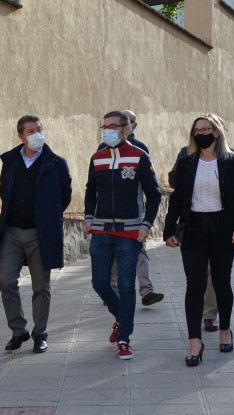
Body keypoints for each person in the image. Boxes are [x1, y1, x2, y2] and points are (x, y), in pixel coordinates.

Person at [163, 114, 234, 367]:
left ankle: (224, 330)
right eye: (197, 129)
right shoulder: (187, 161)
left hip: (224, 229)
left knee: (222, 282)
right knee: (195, 285)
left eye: (206, 128)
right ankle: (194, 342)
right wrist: (169, 228)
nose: (201, 132)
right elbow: (178, 198)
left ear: (216, 132)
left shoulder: (231, 161)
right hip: (194, 228)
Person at [0, 115, 72, 353]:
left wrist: (48, 217)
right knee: (6, 280)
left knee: (40, 287)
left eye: (39, 129)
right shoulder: (11, 161)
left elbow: (64, 196)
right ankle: (18, 330)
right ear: (21, 136)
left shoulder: (56, 163)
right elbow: (5, 192)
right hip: (12, 232)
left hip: (40, 234)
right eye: (31, 131)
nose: (36, 134)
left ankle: (40, 333)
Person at [85, 111, 161, 360]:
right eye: (104, 126)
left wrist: (146, 224)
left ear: (126, 129)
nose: (108, 130)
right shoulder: (97, 158)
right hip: (101, 231)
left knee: (127, 285)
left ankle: (124, 337)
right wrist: (87, 217)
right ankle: (121, 317)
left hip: (129, 232)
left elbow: (154, 194)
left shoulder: (139, 156)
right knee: (100, 283)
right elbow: (90, 191)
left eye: (113, 126)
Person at [97, 110, 164, 312]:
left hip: (134, 214)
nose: (109, 131)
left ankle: (146, 291)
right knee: (114, 254)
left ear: (132, 126)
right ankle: (113, 289)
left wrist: (145, 218)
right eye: (106, 127)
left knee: (140, 250)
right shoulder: (101, 150)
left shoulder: (140, 150)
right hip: (108, 216)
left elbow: (150, 187)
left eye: (132, 122)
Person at [169, 146, 220, 333]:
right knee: (196, 275)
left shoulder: (229, 155)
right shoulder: (186, 153)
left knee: (213, 272)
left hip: (219, 224)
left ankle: (209, 315)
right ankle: (196, 313)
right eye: (199, 130)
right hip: (192, 223)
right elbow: (174, 182)